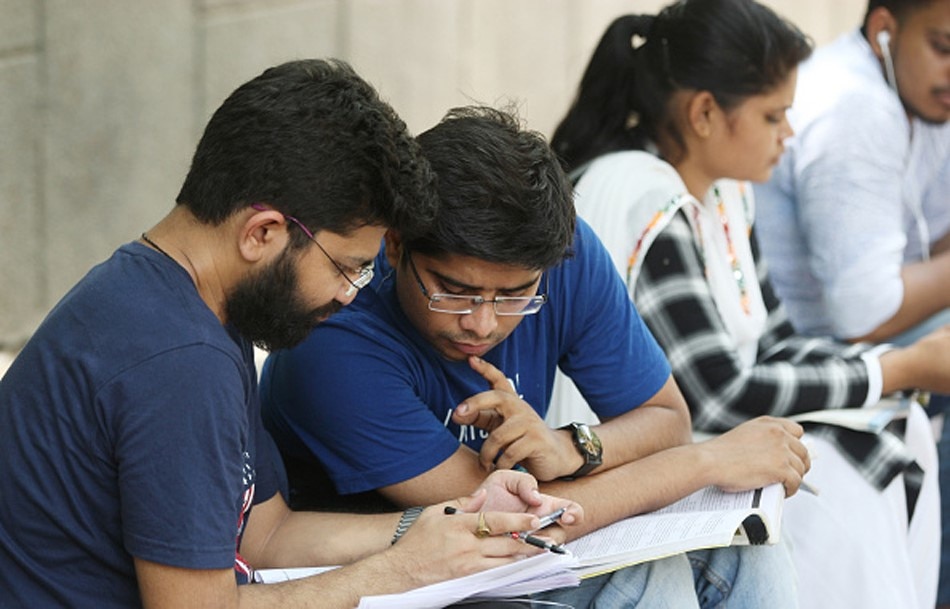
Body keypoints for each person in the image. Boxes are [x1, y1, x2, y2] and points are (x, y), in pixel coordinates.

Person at [0, 58, 586, 609]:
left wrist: (455, 521)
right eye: (347, 266)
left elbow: (265, 533)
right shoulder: (177, 360)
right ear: (264, 232)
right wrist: (401, 570)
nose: (352, 292)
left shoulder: (186, 304)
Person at [260, 105, 811, 608]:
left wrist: (571, 446)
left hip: (509, 541)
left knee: (750, 551)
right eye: (453, 290)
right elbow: (514, 520)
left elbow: (667, 419)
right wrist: (707, 461)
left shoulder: (562, 255)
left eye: (514, 296)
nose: (482, 323)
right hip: (385, 573)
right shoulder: (338, 330)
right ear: (398, 245)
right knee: (647, 580)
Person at [547, 1, 950, 608]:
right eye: (773, 115)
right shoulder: (642, 193)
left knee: (902, 423)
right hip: (623, 476)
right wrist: (895, 368)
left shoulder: (726, 189)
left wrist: (889, 373)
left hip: (706, 439)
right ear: (706, 113)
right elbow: (714, 393)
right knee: (831, 473)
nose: (788, 133)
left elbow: (774, 339)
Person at [750, 1, 950, 606]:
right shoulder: (854, 107)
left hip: (863, 337)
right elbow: (866, 313)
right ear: (885, 30)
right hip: (814, 349)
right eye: (943, 46)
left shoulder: (919, 95)